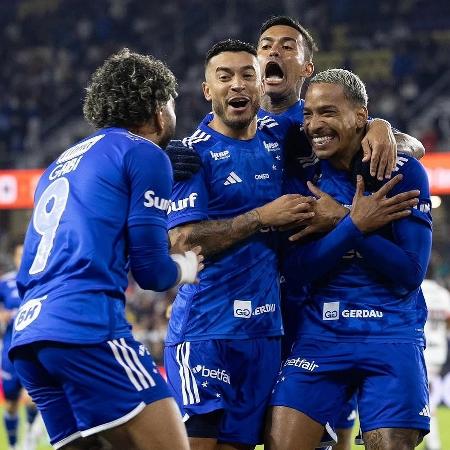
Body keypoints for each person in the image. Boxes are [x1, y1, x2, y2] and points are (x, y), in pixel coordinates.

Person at [8, 48, 203, 450]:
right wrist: (186, 266)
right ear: (157, 109)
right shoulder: (144, 152)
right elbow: (151, 271)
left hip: (29, 339)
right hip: (85, 327)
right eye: (171, 102)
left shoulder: (59, 163)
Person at [164, 39, 319, 450]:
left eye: (248, 75)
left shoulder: (280, 133)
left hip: (265, 334)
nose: (238, 84)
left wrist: (381, 130)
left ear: (260, 87)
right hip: (205, 331)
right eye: (225, 76)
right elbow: (180, 242)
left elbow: (345, 122)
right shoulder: (192, 155)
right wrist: (261, 218)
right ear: (207, 90)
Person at [267, 69, 432, 450]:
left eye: (327, 112)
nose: (314, 125)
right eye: (308, 114)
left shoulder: (402, 174)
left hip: (391, 335)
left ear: (361, 117)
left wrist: (342, 220)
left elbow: (408, 273)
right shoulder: (302, 181)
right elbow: (296, 270)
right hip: (319, 337)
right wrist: (355, 222)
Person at [0, 238, 40, 450]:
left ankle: (30, 437)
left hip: (33, 348)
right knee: (11, 402)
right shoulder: (5, 283)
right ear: (14, 257)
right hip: (9, 351)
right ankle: (15, 445)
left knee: (33, 396)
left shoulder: (41, 279)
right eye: (19, 254)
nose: (23, 258)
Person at [421, 277, 450, 450]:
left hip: (420, 349)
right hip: (439, 353)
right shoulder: (443, 294)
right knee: (428, 397)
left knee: (426, 399)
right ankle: (431, 442)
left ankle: (433, 443)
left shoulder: (417, 288)